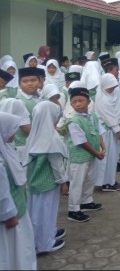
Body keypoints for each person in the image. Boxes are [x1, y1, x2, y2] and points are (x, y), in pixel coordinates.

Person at [22, 101, 68, 254]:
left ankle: (39, 237)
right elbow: (57, 165)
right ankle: (45, 243)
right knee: (47, 211)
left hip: (34, 181)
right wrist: (63, 182)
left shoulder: (33, 135)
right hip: (48, 182)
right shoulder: (51, 137)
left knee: (35, 211)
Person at [0, 111, 37, 270]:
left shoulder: (6, 149)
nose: (14, 133)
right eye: (11, 129)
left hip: (18, 208)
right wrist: (8, 215)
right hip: (10, 216)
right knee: (14, 250)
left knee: (23, 247)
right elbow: (1, 192)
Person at [67, 87, 105, 222]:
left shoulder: (93, 116)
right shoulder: (73, 121)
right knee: (77, 182)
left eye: (81, 100)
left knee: (89, 178)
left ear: (88, 102)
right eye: (74, 101)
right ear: (71, 104)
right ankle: (73, 209)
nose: (78, 104)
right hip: (79, 156)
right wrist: (96, 152)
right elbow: (81, 142)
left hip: (92, 154)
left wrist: (103, 148)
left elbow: (99, 132)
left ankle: (86, 201)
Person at [94, 74, 120, 192]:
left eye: (113, 87)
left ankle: (109, 181)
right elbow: (109, 117)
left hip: (110, 131)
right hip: (106, 132)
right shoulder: (103, 99)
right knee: (108, 157)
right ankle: (106, 183)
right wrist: (118, 130)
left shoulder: (111, 95)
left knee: (112, 157)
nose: (112, 89)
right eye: (110, 88)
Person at [14, 67, 42, 156]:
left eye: (33, 80)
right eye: (25, 81)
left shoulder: (44, 98)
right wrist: (49, 134)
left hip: (42, 143)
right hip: (25, 146)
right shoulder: (19, 102)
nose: (30, 83)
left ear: (40, 81)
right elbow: (26, 128)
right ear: (19, 84)